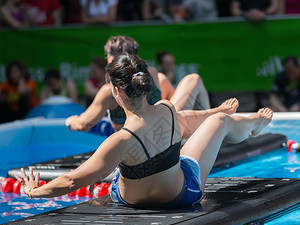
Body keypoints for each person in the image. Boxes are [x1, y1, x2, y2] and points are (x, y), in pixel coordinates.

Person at [15, 53, 273, 208]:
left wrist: (33, 191)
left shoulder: (119, 141)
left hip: (128, 199)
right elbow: (188, 121)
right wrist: (215, 113)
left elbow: (74, 180)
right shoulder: (167, 109)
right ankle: (253, 124)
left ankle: (240, 122)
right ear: (147, 86)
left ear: (116, 92)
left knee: (129, 164)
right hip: (183, 194)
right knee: (219, 123)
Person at [66, 35, 210, 133]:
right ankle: (206, 130)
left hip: (140, 141)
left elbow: (84, 125)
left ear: (111, 58)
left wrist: (72, 121)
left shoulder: (109, 91)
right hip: (166, 130)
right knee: (193, 79)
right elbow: (170, 101)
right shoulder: (152, 73)